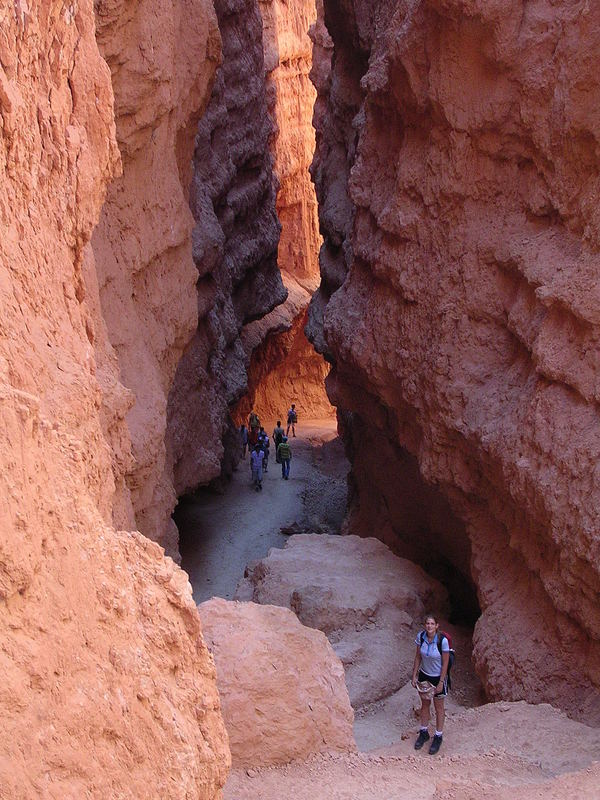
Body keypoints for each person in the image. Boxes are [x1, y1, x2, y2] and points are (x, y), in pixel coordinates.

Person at [411, 614, 450, 755]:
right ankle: (424, 732)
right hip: (424, 675)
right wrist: (414, 674)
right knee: (425, 704)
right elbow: (417, 656)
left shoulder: (442, 641)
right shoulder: (421, 637)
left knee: (439, 707)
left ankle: (438, 735)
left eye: (432, 624)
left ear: (437, 626)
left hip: (437, 677)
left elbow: (445, 663)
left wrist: (441, 681)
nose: (429, 626)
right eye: (427, 623)